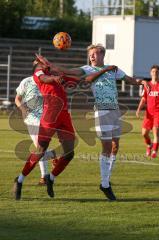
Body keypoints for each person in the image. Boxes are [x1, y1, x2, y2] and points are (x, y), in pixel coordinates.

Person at [36, 44, 146, 201]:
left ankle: (102, 180)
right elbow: (67, 71)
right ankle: (105, 184)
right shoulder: (87, 69)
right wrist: (49, 64)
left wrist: (143, 82)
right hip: (102, 110)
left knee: (115, 146)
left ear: (102, 55)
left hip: (115, 110)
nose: (92, 57)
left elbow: (129, 80)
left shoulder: (113, 69)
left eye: (94, 54)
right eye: (90, 55)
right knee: (107, 147)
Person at [13, 56, 116, 200]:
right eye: (39, 63)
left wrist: (104, 70)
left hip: (64, 116)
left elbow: (85, 80)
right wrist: (55, 79)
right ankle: (19, 180)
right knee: (40, 151)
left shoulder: (58, 75)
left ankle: (51, 178)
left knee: (69, 153)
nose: (41, 64)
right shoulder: (38, 75)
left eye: (42, 61)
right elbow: (45, 79)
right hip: (49, 115)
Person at [15, 76, 56, 185]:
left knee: (39, 148)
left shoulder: (49, 81)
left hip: (45, 118)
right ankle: (54, 155)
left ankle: (44, 177)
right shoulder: (26, 81)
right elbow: (17, 99)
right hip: (30, 119)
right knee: (40, 148)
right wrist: (23, 109)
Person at [136, 65, 159, 158]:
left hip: (158, 113)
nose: (155, 73)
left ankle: (154, 151)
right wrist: (138, 109)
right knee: (144, 133)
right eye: (153, 72)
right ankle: (149, 145)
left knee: (155, 132)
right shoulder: (147, 85)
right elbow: (143, 99)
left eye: (156, 72)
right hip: (148, 113)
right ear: (150, 73)